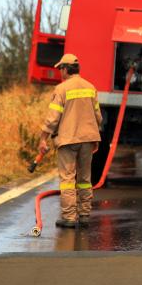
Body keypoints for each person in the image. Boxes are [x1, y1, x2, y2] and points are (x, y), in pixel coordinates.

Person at [37, 53, 102, 229]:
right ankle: (84, 214)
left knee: (67, 178)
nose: (60, 72)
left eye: (60, 69)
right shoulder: (90, 88)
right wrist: (94, 135)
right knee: (85, 178)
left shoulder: (61, 89)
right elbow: (98, 116)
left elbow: (52, 118)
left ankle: (69, 217)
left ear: (66, 69)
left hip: (68, 140)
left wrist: (43, 138)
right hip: (88, 140)